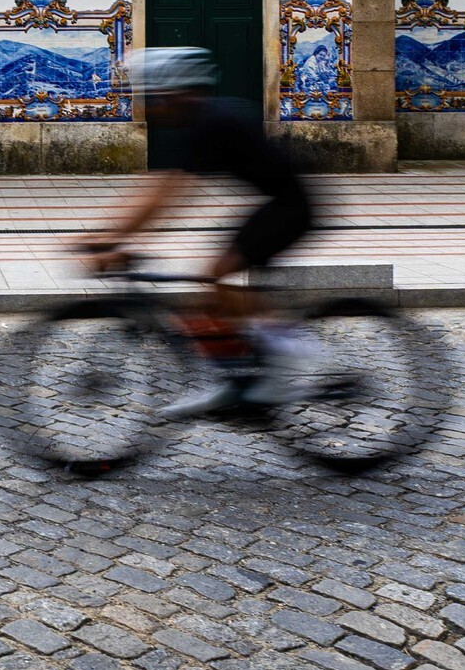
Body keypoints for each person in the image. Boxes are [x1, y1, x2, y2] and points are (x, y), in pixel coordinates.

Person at [79, 46, 316, 418]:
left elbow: (168, 198)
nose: (148, 106)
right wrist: (111, 235)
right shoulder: (195, 122)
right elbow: (157, 187)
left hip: (293, 207)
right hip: (275, 203)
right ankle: (239, 376)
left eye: (150, 96)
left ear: (171, 93)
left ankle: (281, 367)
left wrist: (115, 240)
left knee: (216, 274)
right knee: (215, 285)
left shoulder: (209, 124)